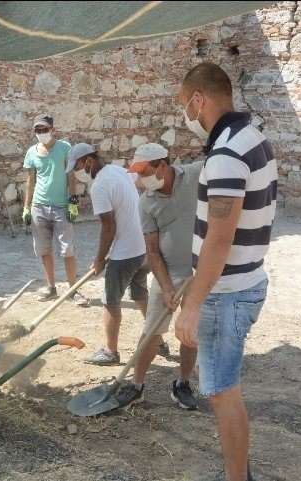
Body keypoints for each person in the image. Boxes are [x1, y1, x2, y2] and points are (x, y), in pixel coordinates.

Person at [175, 62, 277, 481]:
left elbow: (219, 239)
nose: (186, 116)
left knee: (221, 390)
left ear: (198, 100)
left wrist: (193, 304)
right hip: (245, 280)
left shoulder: (226, 155)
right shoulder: (253, 137)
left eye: (185, 106)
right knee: (223, 386)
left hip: (227, 292)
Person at [111, 143, 203, 411]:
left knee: (190, 333)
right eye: (137, 173)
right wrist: (165, 287)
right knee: (151, 330)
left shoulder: (196, 173)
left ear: (163, 165)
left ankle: (182, 384)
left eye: (145, 172)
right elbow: (151, 250)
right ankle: (136, 386)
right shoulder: (146, 203)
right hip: (170, 271)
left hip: (202, 270)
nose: (140, 180)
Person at [66, 143, 150, 365]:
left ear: (90, 161)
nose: (77, 172)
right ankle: (157, 339)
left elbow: (108, 227)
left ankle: (110, 352)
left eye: (78, 166)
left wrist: (100, 259)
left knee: (111, 300)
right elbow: (139, 185)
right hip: (141, 246)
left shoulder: (100, 186)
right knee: (140, 293)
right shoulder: (118, 170)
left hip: (125, 252)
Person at [22, 114, 89, 306]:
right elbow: (30, 181)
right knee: (44, 249)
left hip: (61, 206)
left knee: (67, 249)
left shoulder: (64, 148)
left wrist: (73, 202)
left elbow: (71, 176)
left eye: (44, 129)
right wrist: (26, 207)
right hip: (39, 206)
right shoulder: (32, 152)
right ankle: (51, 288)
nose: (41, 133)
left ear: (53, 130)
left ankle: (73, 290)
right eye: (38, 130)